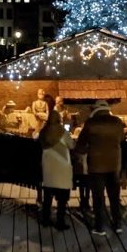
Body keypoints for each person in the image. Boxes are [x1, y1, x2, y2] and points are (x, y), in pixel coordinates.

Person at [75, 100, 126, 236]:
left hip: (96, 166)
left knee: (98, 198)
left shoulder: (91, 123)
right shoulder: (117, 122)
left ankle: (100, 227)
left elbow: (80, 145)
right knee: (114, 197)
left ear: (95, 110)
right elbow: (122, 138)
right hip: (113, 164)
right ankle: (118, 224)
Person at [39, 95, 73, 230]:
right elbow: (72, 145)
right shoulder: (63, 132)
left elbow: (39, 142)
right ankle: (60, 221)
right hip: (62, 167)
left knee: (47, 196)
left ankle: (46, 219)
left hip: (48, 166)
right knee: (62, 198)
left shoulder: (44, 132)